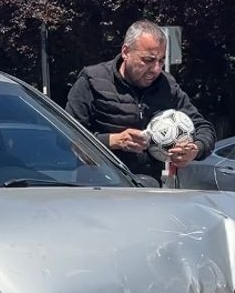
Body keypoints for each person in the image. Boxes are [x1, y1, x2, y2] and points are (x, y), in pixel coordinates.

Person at [65, 20, 215, 180]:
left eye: (161, 61)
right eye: (148, 60)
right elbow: (66, 136)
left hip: (146, 184)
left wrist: (195, 149)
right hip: (99, 183)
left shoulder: (167, 85)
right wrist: (114, 141)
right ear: (126, 52)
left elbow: (204, 128)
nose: (156, 69)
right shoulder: (92, 81)